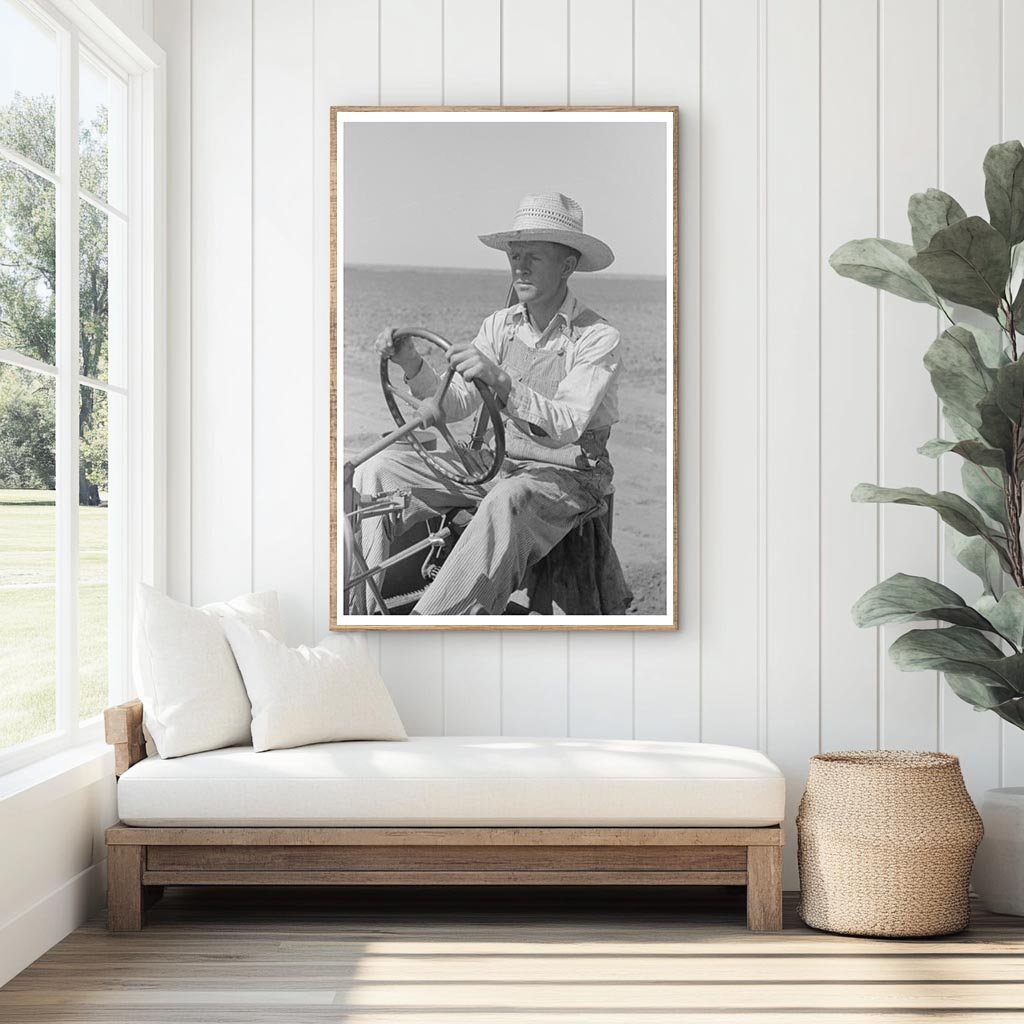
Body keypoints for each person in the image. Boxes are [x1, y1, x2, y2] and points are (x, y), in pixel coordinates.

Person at [350, 191, 624, 616]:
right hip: (498, 465)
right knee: (377, 469)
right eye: (515, 255)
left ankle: (434, 627)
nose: (520, 265)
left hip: (567, 477)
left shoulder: (596, 337)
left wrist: (501, 380)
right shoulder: (499, 326)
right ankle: (360, 611)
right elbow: (455, 402)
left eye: (534, 255)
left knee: (506, 498)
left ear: (567, 266)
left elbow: (567, 424)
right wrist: (410, 362)